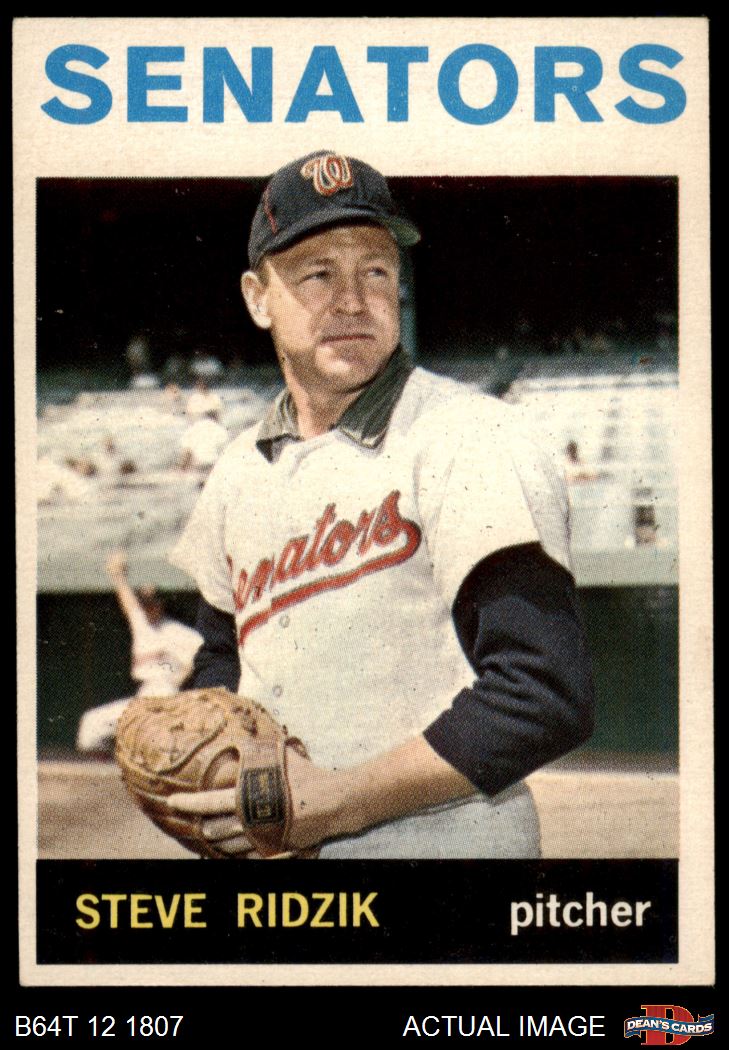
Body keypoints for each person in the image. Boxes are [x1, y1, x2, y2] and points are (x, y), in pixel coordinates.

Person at [167, 150, 594, 858]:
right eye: (317, 274)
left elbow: (541, 691)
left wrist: (338, 801)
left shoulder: (471, 435)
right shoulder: (238, 469)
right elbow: (221, 658)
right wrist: (218, 772)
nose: (351, 300)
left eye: (374, 271)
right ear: (257, 298)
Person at [76, 552, 202, 754]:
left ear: (161, 604)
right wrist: (118, 576)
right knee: (90, 725)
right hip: (145, 694)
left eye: (151, 601)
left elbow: (203, 655)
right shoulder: (143, 626)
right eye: (144, 602)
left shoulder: (176, 631)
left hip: (166, 695)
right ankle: (117, 762)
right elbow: (130, 605)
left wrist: (180, 679)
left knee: (152, 743)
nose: (146, 606)